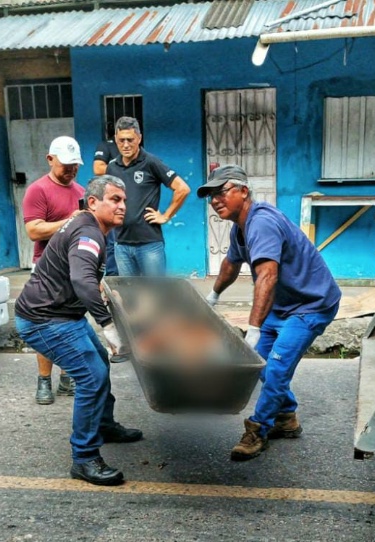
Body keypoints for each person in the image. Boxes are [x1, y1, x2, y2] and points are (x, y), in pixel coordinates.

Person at [197, 164, 342, 461]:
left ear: (244, 191)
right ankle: (287, 417)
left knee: (275, 367)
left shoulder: (261, 222)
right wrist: (211, 297)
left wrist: (253, 329)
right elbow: (230, 264)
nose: (214, 200)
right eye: (211, 195)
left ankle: (257, 430)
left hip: (311, 305)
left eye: (221, 192)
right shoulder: (241, 226)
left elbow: (267, 277)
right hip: (284, 303)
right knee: (260, 363)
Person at [15, 175, 144, 486]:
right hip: (43, 319)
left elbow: (88, 279)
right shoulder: (88, 231)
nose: (122, 206)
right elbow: (82, 280)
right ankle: (85, 458)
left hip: (64, 315)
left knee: (97, 362)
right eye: (115, 199)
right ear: (93, 203)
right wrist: (109, 328)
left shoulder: (93, 229)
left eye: (124, 200)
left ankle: (103, 424)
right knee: (92, 375)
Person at [22, 135, 83, 405]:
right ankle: (44, 380)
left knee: (70, 322)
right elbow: (34, 230)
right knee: (45, 323)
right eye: (65, 165)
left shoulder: (81, 193)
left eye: (75, 166)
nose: (70, 170)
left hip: (74, 268)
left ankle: (67, 377)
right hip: (46, 269)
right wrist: (68, 221)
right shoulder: (38, 190)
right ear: (50, 159)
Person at [104, 116, 190, 276]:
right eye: (121, 140)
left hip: (149, 244)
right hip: (121, 244)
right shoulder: (112, 168)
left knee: (155, 293)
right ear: (115, 139)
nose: (125, 145)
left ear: (139, 138)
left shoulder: (151, 162)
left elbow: (182, 188)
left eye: (130, 139)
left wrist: (165, 216)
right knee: (130, 295)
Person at [92, 138, 121, 277]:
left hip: (131, 204)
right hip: (112, 203)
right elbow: (97, 168)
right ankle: (112, 279)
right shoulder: (106, 145)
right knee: (112, 244)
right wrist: (123, 168)